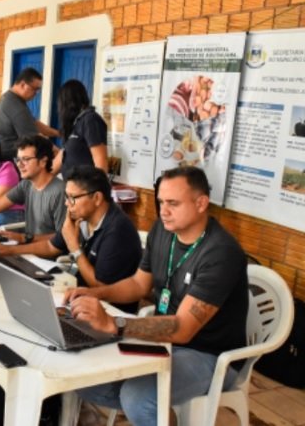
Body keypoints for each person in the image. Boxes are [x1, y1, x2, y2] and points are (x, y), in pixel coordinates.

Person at [66, 166, 248, 425]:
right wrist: (95, 293)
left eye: (173, 203)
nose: (163, 211)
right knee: (84, 377)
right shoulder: (162, 230)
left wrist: (114, 323)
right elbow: (138, 284)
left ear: (201, 203)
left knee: (138, 398)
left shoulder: (221, 253)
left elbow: (183, 329)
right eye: (161, 202)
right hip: (163, 340)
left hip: (209, 354)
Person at [0, 166, 141, 313]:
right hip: (80, 296)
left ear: (97, 198)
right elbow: (50, 246)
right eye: (66, 197)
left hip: (109, 310)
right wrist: (10, 250)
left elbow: (101, 288)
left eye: (72, 198)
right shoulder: (82, 217)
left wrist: (74, 247)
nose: (67, 203)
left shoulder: (118, 230)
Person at [0, 135, 66, 243]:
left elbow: (63, 238)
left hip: (45, 252)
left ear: (43, 161)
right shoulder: (26, 184)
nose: (19, 164)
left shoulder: (60, 191)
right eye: (18, 159)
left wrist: (22, 239)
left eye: (26, 159)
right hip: (29, 248)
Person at [0, 67, 59, 161]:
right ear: (23, 85)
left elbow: (34, 123)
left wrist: (58, 133)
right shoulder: (17, 107)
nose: (36, 93)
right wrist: (61, 154)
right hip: (8, 160)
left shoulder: (9, 97)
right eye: (35, 89)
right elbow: (37, 139)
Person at [51, 79, 108, 176]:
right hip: (70, 184)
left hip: (86, 184)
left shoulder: (90, 120)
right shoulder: (75, 123)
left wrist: (100, 184)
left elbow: (100, 159)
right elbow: (61, 158)